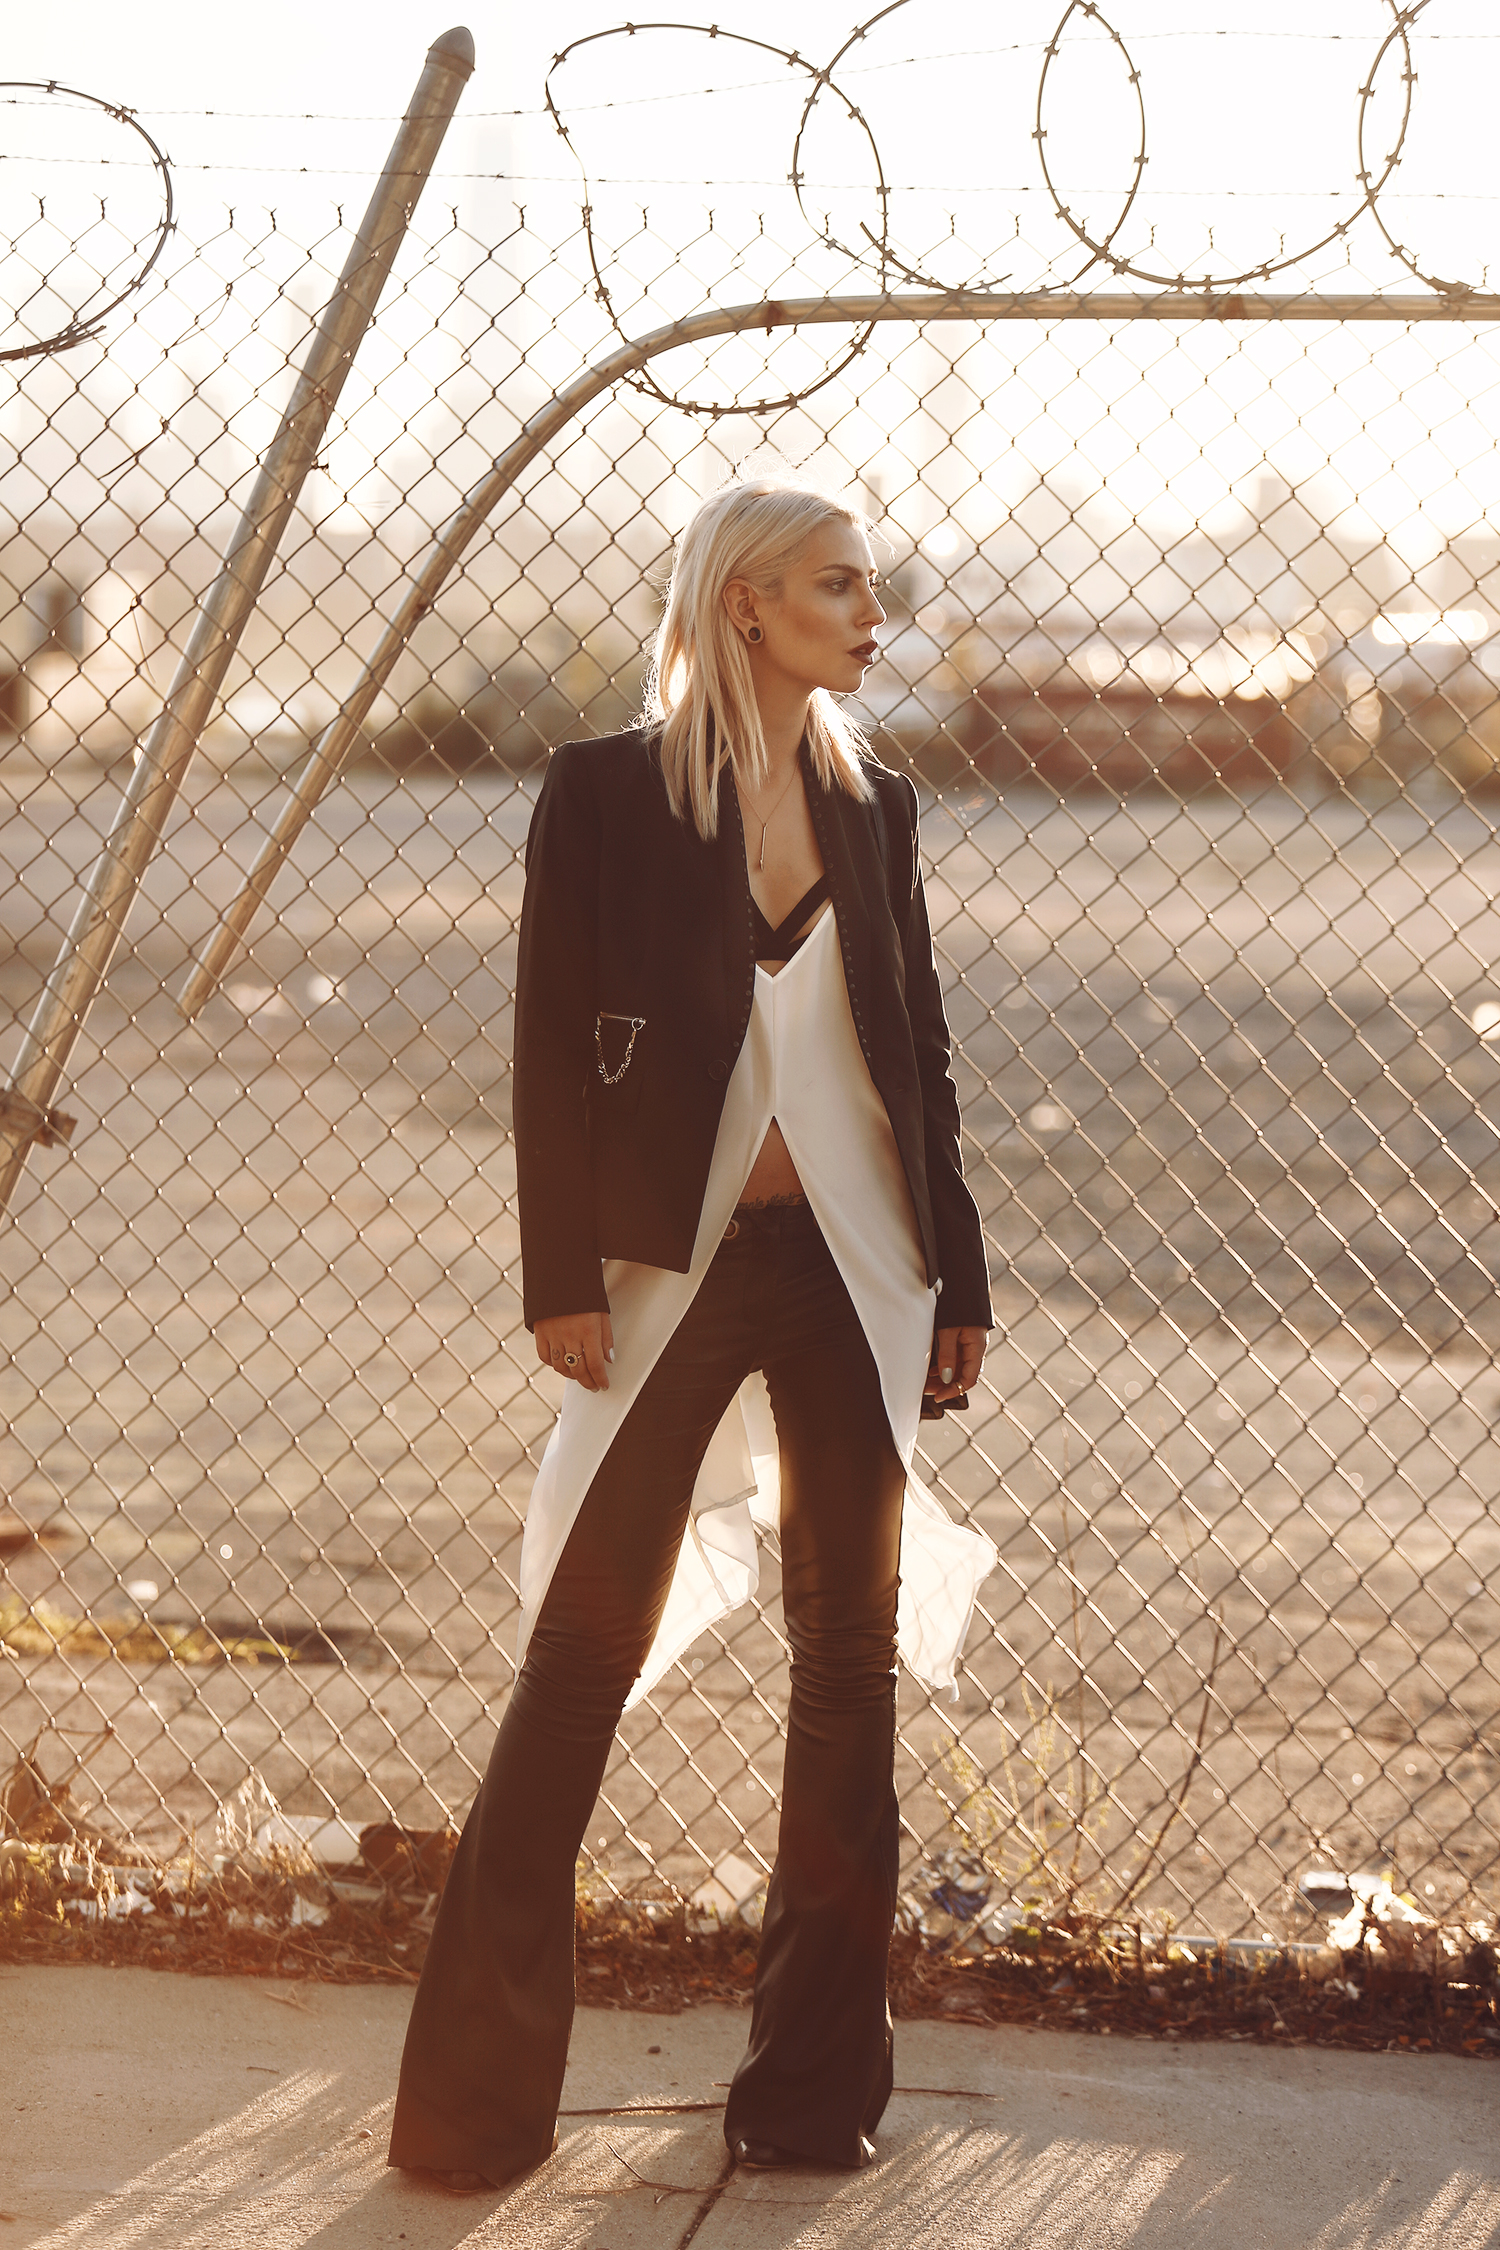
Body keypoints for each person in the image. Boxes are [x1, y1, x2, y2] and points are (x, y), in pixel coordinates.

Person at [388, 474, 994, 2193]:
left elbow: (921, 1056)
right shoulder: (604, 793)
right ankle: (469, 2113)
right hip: (665, 1273)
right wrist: (556, 1273)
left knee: (847, 1673)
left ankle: (808, 2101)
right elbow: (540, 1045)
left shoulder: (878, 806)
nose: (871, 614)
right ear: (745, 603)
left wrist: (960, 1279)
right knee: (578, 1660)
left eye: (872, 585)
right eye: (838, 587)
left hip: (857, 1273)